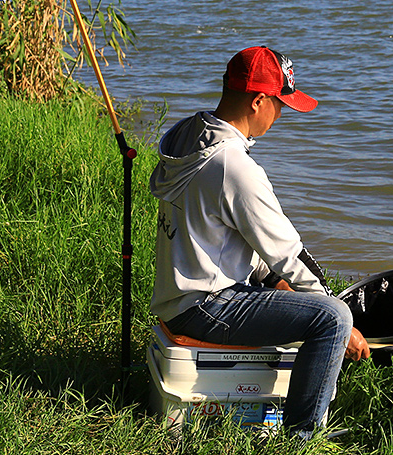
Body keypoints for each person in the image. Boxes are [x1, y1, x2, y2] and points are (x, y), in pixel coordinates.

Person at [149, 45, 370, 438]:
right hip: (205, 305)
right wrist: (335, 312)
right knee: (332, 318)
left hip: (180, 295)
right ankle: (302, 436)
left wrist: (273, 282)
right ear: (258, 101)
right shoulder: (234, 167)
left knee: (309, 302)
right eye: (280, 104)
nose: (281, 114)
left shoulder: (190, 135)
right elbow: (288, 252)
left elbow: (224, 240)